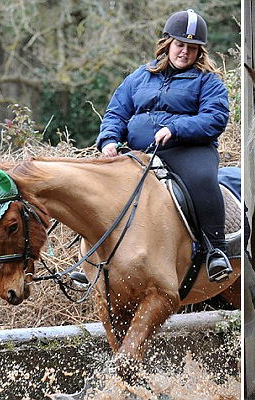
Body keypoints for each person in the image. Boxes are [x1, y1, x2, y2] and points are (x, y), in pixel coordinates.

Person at [96, 9, 232, 282]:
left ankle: (216, 251)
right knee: (98, 188)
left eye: (192, 48)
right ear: (168, 43)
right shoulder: (139, 76)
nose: (184, 52)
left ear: (199, 52)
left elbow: (215, 118)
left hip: (189, 150)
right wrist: (109, 140)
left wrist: (176, 128)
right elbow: (117, 113)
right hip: (138, 151)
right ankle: (91, 257)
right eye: (180, 45)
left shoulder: (208, 81)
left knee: (204, 180)